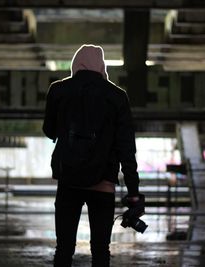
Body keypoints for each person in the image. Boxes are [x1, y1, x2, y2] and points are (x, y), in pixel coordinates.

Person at [43, 44, 141, 267]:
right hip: (103, 183)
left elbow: (49, 131)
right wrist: (134, 192)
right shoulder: (117, 97)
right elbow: (126, 148)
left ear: (76, 64)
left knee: (64, 248)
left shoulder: (58, 90)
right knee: (100, 250)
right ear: (101, 67)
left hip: (68, 181)